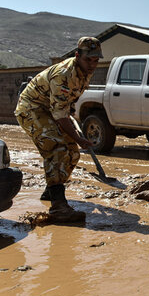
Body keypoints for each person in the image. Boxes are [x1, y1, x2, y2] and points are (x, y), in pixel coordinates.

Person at [14, 37, 102, 223]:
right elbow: (60, 115)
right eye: (89, 60)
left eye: (96, 60)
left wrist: (75, 137)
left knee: (73, 154)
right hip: (32, 108)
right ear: (77, 55)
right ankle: (58, 207)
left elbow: (67, 103)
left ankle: (51, 190)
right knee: (56, 148)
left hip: (53, 110)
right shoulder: (63, 74)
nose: (93, 65)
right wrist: (79, 137)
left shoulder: (85, 71)